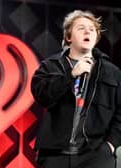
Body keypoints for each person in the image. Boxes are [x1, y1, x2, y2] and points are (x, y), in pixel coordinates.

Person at [31, 10, 121, 168]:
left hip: (95, 154)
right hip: (55, 155)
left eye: (92, 29)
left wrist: (110, 145)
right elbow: (42, 97)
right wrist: (71, 74)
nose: (87, 31)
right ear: (68, 37)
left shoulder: (112, 72)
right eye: (81, 28)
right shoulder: (50, 66)